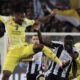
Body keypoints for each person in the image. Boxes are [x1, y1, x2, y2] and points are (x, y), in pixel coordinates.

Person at [0, 4, 62, 80]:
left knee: (40, 46)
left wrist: (50, 15)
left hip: (23, 49)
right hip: (12, 53)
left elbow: (40, 21)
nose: (23, 19)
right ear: (15, 15)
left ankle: (60, 63)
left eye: (24, 16)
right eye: (21, 17)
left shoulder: (25, 21)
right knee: (6, 74)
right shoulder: (6, 20)